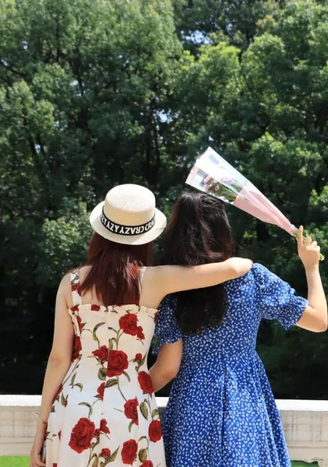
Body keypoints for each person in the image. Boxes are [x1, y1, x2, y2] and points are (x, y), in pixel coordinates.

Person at [29, 184, 253, 467]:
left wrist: (42, 426)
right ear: (146, 236)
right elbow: (234, 268)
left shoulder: (71, 283)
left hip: (75, 404)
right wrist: (249, 261)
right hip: (131, 406)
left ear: (101, 232)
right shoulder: (155, 280)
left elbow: (58, 359)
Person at [149, 191, 328, 467]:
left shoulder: (173, 291)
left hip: (193, 405)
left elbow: (166, 370)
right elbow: (319, 321)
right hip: (244, 399)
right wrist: (311, 267)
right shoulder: (252, 278)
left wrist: (124, 393)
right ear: (223, 230)